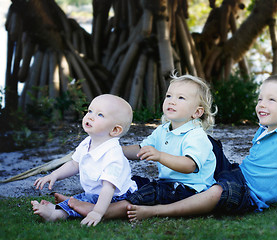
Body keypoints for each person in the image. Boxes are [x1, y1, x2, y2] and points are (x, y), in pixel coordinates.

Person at [71, 74, 277, 221]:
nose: (261, 104)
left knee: (218, 192)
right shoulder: (272, 130)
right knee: (210, 145)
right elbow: (272, 170)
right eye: (261, 98)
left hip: (244, 190)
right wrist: (108, 147)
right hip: (238, 174)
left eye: (271, 100)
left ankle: (147, 211)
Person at [53, 73, 218, 220]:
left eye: (181, 98)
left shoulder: (196, 135)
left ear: (197, 112)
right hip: (167, 184)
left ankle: (101, 210)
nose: (172, 101)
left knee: (146, 194)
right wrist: (111, 150)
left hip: (189, 190)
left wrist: (160, 156)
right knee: (132, 184)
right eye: (169, 96)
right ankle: (92, 200)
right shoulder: (163, 130)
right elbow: (140, 150)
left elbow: (189, 165)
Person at [31, 94, 137, 226]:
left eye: (100, 115)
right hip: (96, 193)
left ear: (115, 130)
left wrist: (97, 212)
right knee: (85, 198)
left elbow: (108, 188)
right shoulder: (88, 142)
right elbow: (74, 164)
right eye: (90, 111)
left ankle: (56, 213)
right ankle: (71, 203)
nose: (90, 116)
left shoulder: (113, 155)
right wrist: (54, 175)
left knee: (87, 200)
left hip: (114, 197)